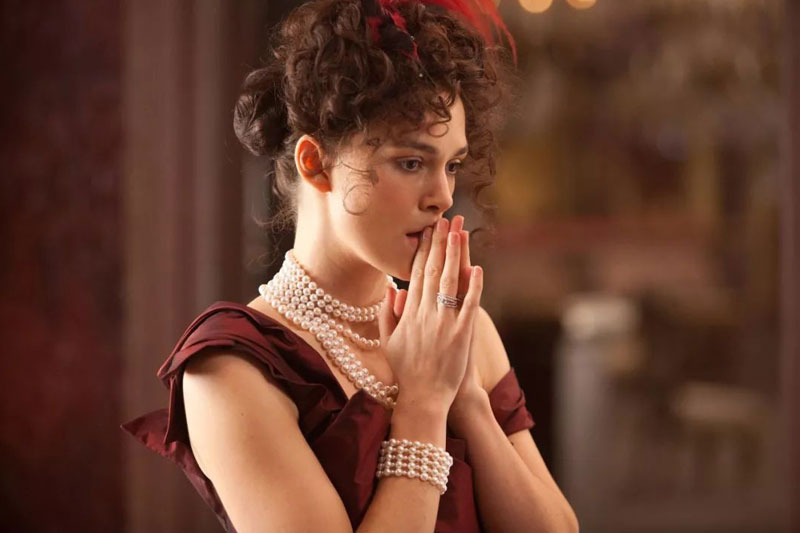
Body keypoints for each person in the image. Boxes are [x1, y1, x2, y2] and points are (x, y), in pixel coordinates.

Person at [121, 0, 579, 531]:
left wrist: (469, 402)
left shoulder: (462, 331)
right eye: (411, 162)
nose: (442, 196)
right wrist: (423, 405)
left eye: (452, 165)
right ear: (316, 164)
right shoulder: (231, 370)